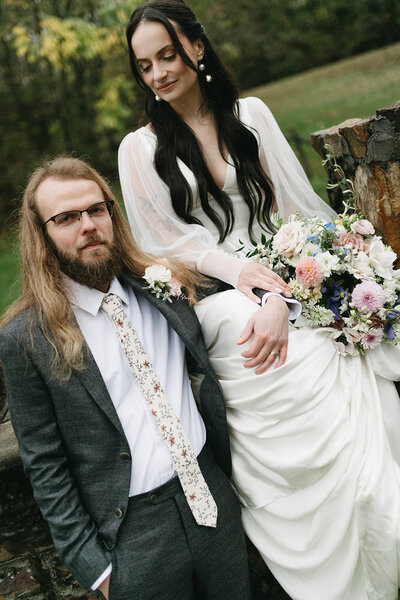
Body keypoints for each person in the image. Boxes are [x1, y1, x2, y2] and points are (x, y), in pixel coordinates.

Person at [118, 1, 400, 599]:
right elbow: (162, 246)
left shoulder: (251, 114)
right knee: (284, 354)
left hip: (284, 270)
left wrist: (294, 284)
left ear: (196, 46)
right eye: (145, 66)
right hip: (215, 294)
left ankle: (373, 508)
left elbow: (296, 214)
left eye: (167, 55)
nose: (159, 74)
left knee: (334, 346)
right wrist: (243, 274)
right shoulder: (139, 150)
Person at [0, 156, 253, 600]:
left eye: (97, 210)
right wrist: (97, 569)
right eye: (66, 218)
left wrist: (272, 305)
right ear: (41, 235)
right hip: (133, 535)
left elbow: (236, 291)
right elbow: (44, 464)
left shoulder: (162, 283)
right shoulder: (25, 339)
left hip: (213, 497)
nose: (88, 226)